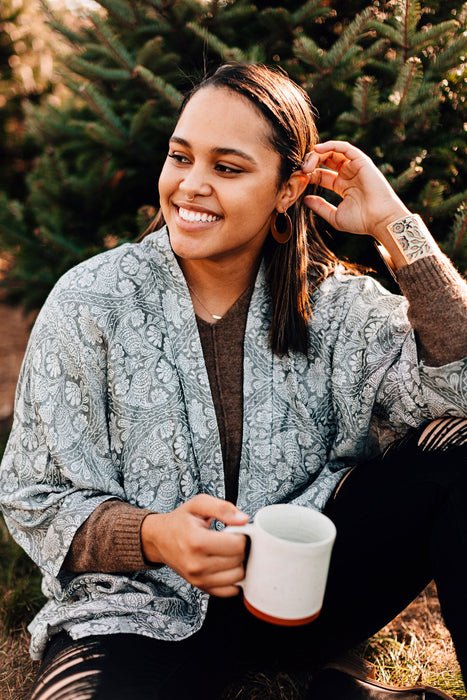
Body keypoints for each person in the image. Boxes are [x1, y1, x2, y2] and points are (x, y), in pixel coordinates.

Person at [0, 62, 466, 700]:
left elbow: (458, 390)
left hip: (308, 597)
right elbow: (34, 495)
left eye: (227, 167)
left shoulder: (340, 307)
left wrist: (394, 224)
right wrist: (156, 536)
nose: (190, 186)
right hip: (137, 613)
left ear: (285, 189)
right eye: (180, 156)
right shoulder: (91, 301)